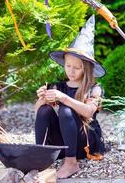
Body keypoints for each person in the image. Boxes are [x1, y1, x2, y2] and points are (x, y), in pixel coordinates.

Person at [34, 15, 106, 179]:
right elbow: (37, 112)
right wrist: (42, 99)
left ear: (86, 69)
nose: (71, 71)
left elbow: (88, 111)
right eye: (68, 66)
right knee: (45, 110)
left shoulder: (94, 89)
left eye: (77, 68)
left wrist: (64, 98)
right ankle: (41, 158)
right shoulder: (58, 86)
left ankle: (71, 162)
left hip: (83, 142)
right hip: (61, 142)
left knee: (66, 110)